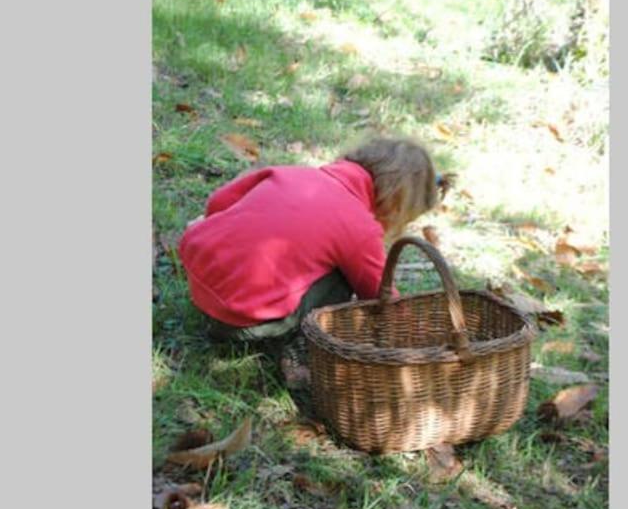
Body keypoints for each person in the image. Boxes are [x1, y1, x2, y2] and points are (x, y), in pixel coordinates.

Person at [178, 136, 447, 376]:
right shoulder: (359, 227)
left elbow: (216, 204)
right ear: (394, 202)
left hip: (200, 284)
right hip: (244, 318)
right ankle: (300, 347)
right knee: (344, 275)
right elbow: (381, 297)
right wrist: (416, 339)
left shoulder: (288, 173)